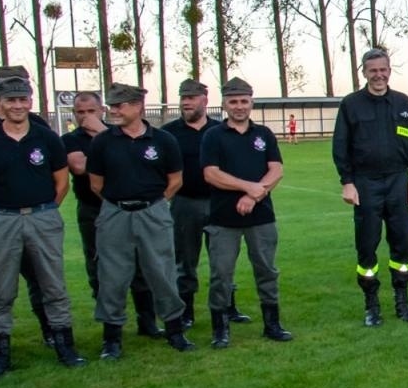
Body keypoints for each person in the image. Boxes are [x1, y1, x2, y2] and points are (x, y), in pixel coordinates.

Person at [0, 75, 86, 374]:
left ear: (30, 102)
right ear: (0, 103)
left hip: (43, 217)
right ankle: (0, 356)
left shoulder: (46, 137)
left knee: (53, 285)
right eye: (11, 100)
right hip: (1, 220)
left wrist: (44, 211)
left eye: (23, 99)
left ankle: (65, 347)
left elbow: (61, 182)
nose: (18, 105)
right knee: (0, 289)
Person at [87, 83, 194, 357]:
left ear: (138, 106)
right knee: (112, 275)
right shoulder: (102, 142)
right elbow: (96, 183)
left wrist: (155, 206)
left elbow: (175, 180)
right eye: (112, 106)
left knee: (162, 272)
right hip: (115, 213)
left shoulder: (163, 140)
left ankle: (174, 330)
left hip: (153, 212)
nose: (114, 111)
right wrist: (119, 204)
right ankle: (111, 339)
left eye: (120, 106)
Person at [333, 46, 408, 326]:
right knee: (367, 245)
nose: (378, 75)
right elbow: (340, 146)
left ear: (389, 70)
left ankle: (402, 304)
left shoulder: (403, 103)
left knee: (402, 244)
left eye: (383, 69)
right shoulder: (351, 104)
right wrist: (347, 182)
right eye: (373, 70)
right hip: (365, 183)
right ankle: (371, 305)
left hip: (398, 180)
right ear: (364, 72)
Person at [200, 77, 292, 348]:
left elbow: (276, 170)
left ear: (251, 102)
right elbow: (211, 174)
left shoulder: (263, 134)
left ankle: (272, 324)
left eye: (244, 101)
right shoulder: (213, 135)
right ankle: (220, 328)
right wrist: (249, 188)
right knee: (221, 274)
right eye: (233, 101)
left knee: (267, 270)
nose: (239, 106)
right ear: (224, 104)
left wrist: (255, 195)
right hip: (223, 218)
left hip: (261, 216)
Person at [0, 65, 56, 352]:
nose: (16, 99)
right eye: (7, 88)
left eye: (21, 88)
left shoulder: (38, 126)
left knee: (40, 276)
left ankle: (51, 331)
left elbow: (57, 177)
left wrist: (45, 210)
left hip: (36, 216)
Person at [62, 91, 160, 334]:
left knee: (140, 263)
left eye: (91, 111)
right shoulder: (71, 139)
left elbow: (133, 162)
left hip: (130, 209)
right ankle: (111, 326)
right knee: (100, 267)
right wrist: (102, 138)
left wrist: (102, 133)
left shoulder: (119, 133)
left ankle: (147, 322)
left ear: (102, 111)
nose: (85, 117)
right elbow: (80, 166)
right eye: (80, 112)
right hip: (93, 210)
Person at [162, 78, 249, 330]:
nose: (186, 102)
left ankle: (228, 306)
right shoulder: (169, 133)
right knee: (185, 260)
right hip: (184, 203)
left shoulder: (220, 131)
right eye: (183, 97)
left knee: (223, 260)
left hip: (219, 202)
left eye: (191, 97)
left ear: (204, 100)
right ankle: (186, 310)